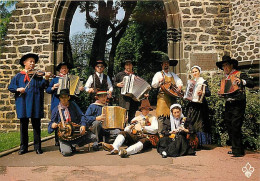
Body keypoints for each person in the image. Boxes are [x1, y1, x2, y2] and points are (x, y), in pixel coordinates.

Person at [8, 53, 51, 155]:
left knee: (36, 126)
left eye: (33, 62)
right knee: (24, 126)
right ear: (24, 63)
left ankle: (38, 147)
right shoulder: (18, 76)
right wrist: (18, 89)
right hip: (22, 103)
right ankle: (23, 147)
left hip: (35, 103)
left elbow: (43, 86)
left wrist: (47, 78)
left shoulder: (37, 76)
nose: (32, 63)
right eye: (30, 61)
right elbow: (11, 87)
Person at [216, 55, 254, 157]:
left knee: (236, 125)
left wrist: (242, 82)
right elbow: (227, 92)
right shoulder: (225, 78)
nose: (225, 68)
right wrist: (221, 94)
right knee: (229, 125)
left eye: (227, 65)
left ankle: (238, 151)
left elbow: (251, 83)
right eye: (223, 66)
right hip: (229, 103)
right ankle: (235, 148)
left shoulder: (239, 74)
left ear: (232, 65)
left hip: (238, 103)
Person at [48, 89, 96, 156]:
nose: (63, 99)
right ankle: (66, 146)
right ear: (59, 98)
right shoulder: (56, 110)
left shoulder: (73, 105)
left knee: (93, 137)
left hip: (75, 133)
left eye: (65, 97)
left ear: (68, 97)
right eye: (62, 97)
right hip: (64, 137)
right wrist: (52, 125)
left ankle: (75, 144)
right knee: (66, 153)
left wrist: (83, 125)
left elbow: (81, 115)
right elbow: (50, 124)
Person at [151, 55, 183, 137]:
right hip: (162, 97)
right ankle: (160, 134)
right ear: (162, 65)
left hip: (172, 97)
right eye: (164, 63)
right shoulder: (158, 74)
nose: (166, 65)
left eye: (167, 63)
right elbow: (153, 85)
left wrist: (179, 87)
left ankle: (171, 133)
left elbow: (179, 82)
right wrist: (159, 81)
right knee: (161, 115)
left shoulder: (173, 75)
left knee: (172, 115)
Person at [46, 62, 74, 146]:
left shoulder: (71, 79)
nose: (64, 69)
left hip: (68, 103)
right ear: (59, 70)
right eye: (62, 68)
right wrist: (53, 87)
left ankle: (69, 137)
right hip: (56, 103)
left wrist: (78, 88)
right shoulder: (55, 79)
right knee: (56, 121)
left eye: (66, 68)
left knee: (68, 119)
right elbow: (47, 90)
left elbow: (75, 91)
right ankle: (57, 139)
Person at [185, 65, 211, 148]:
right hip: (192, 105)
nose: (194, 73)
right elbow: (188, 94)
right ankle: (192, 141)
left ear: (199, 72)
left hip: (200, 106)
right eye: (193, 72)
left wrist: (202, 92)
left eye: (196, 71)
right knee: (191, 122)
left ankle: (201, 143)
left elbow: (208, 93)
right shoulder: (191, 82)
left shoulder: (203, 81)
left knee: (200, 124)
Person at [114, 59, 140, 123]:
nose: (129, 66)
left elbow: (139, 86)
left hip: (133, 98)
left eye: (130, 64)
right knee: (123, 115)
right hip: (124, 98)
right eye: (127, 65)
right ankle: (122, 129)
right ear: (125, 66)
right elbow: (113, 82)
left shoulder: (136, 76)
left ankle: (131, 130)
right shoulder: (120, 74)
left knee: (132, 115)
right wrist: (117, 84)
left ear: (132, 66)